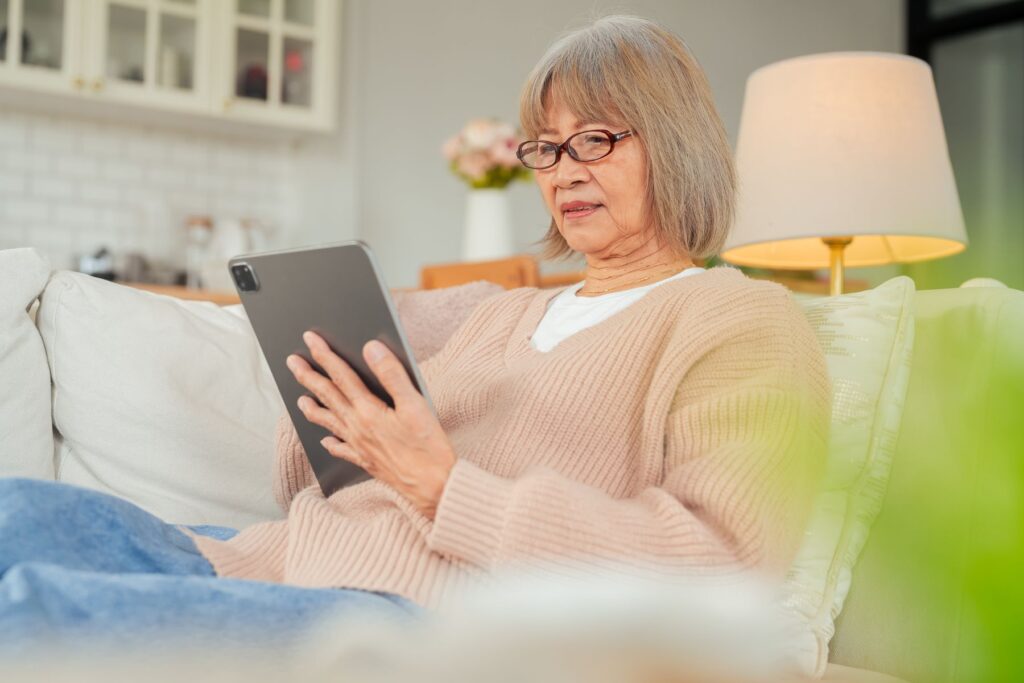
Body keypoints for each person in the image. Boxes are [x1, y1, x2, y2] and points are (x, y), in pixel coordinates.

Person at [0, 15, 830, 649]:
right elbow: (327, 488)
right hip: (273, 558)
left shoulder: (739, 321)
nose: (566, 169)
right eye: (547, 147)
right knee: (13, 514)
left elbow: (720, 567)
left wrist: (443, 485)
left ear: (676, 143)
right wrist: (335, 414)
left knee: (33, 609)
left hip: (400, 621)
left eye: (598, 138)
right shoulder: (506, 312)